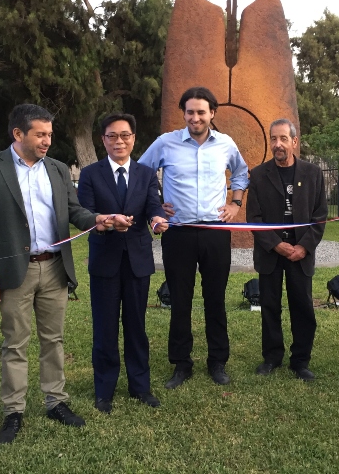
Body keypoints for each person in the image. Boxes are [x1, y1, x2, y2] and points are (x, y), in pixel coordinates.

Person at [0, 104, 132, 444]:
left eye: (50, 135)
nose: (47, 141)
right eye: (40, 134)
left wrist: (99, 220)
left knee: (53, 341)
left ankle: (55, 401)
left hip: (56, 267)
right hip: (15, 272)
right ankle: (13, 412)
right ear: (18, 134)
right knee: (15, 343)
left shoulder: (57, 169)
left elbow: (74, 211)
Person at [138, 86, 249, 389]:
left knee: (215, 299)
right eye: (190, 112)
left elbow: (241, 174)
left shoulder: (225, 144)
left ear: (212, 113)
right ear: (184, 113)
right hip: (179, 234)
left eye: (202, 112)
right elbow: (141, 175)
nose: (196, 117)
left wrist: (235, 204)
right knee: (180, 300)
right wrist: (156, 205)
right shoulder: (166, 143)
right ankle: (181, 364)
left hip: (215, 233)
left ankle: (217, 362)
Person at [77, 113, 169, 414]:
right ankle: (104, 390)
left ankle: (140, 386)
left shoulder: (145, 174)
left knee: (136, 327)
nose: (119, 141)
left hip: (138, 261)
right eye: (112, 136)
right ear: (103, 140)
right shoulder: (90, 174)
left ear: (133, 138)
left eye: (125, 135)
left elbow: (153, 207)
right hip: (105, 260)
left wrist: (157, 221)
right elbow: (85, 214)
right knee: (104, 328)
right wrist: (105, 221)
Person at [246, 119, 327, 381]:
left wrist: (303, 246)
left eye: (283, 138)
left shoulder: (312, 174)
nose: (277, 144)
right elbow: (254, 219)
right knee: (270, 305)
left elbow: (320, 217)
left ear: (294, 141)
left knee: (302, 306)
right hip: (271, 252)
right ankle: (272, 357)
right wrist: (276, 244)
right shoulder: (259, 175)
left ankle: (301, 361)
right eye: (273, 139)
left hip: (300, 253)